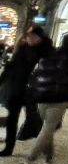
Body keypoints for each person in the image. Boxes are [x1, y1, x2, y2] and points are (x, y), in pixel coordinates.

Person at [24, 32, 68, 164]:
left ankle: (49, 157)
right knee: (48, 128)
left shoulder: (48, 55)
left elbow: (35, 75)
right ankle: (30, 158)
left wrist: (35, 91)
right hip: (59, 97)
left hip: (41, 96)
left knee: (48, 127)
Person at [0, 25, 51, 156]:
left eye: (33, 36)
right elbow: (11, 66)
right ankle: (8, 148)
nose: (30, 38)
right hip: (17, 89)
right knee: (12, 119)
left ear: (39, 37)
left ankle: (45, 150)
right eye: (28, 36)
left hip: (35, 91)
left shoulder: (47, 51)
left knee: (37, 120)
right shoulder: (22, 49)